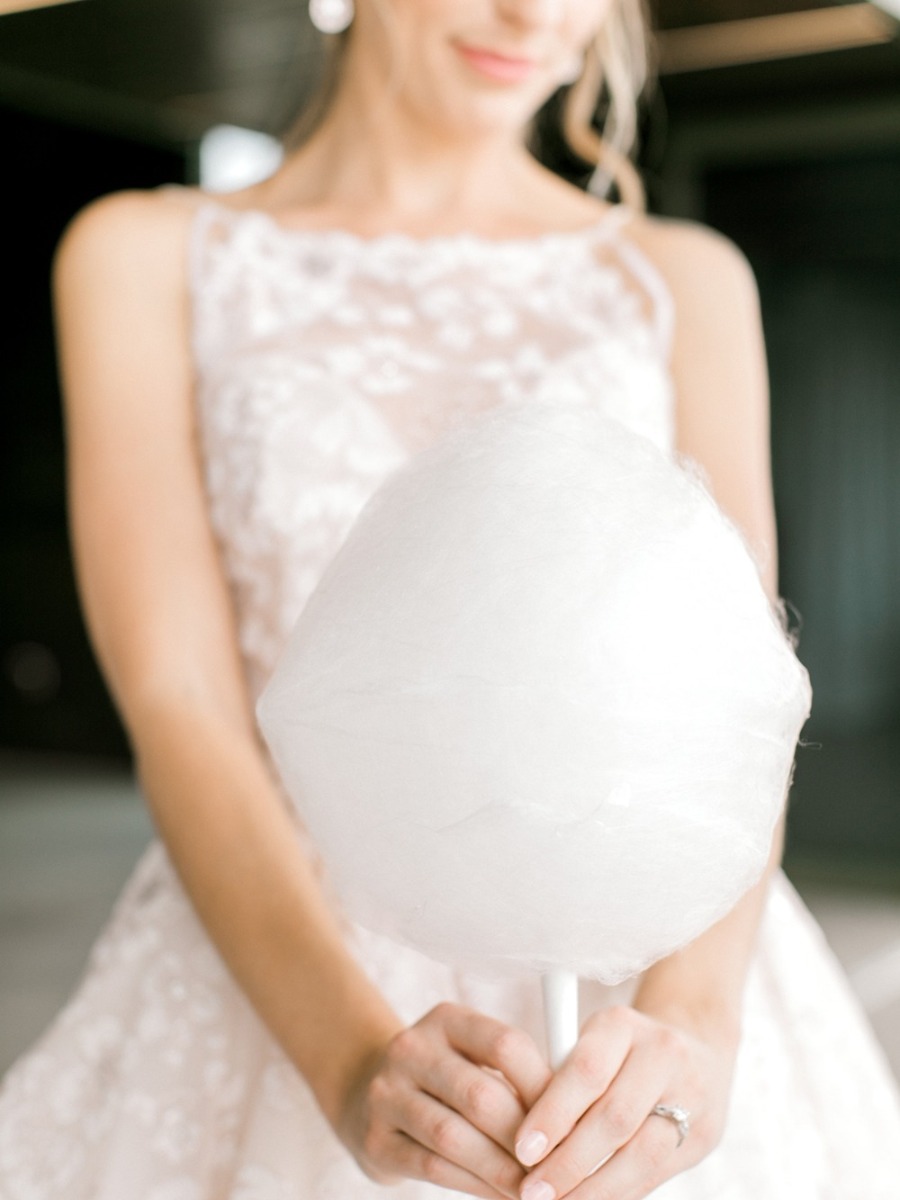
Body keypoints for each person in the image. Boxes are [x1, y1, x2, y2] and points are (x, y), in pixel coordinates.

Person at [2, 0, 899, 1196]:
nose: (533, 14)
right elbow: (179, 699)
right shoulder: (144, 253)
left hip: (648, 951)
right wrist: (347, 1059)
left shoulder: (682, 280)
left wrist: (698, 1033)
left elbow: (740, 704)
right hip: (288, 950)